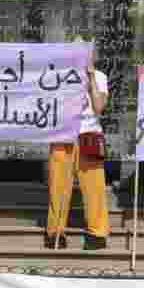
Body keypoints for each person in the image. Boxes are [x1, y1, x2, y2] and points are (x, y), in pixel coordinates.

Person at [45, 48, 111, 251]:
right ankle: (56, 232)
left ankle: (97, 233)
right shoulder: (59, 75)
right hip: (63, 135)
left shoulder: (99, 76)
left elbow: (99, 107)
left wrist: (90, 76)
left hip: (89, 135)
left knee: (94, 188)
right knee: (58, 186)